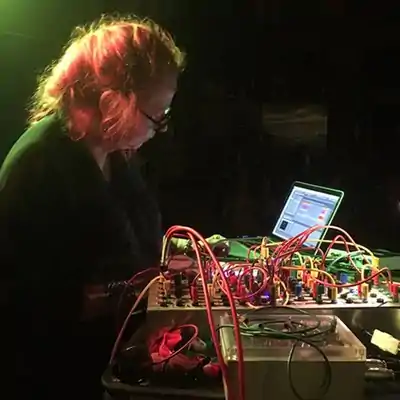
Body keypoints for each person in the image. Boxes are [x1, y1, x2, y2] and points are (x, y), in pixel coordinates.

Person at [0, 16, 185, 399]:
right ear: (114, 102)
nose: (159, 129)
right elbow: (27, 302)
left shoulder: (109, 151)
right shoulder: (39, 165)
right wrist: (120, 294)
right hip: (54, 378)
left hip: (102, 362)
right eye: (157, 116)